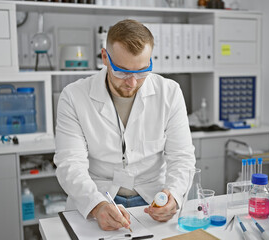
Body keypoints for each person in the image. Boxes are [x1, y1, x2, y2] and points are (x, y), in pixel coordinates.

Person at [54, 19, 196, 231]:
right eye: (121, 72)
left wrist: (174, 196)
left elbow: (182, 157)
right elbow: (70, 164)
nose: (132, 82)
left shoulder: (170, 93)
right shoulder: (74, 97)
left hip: (152, 201)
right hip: (98, 198)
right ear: (105, 57)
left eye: (141, 72)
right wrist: (96, 205)